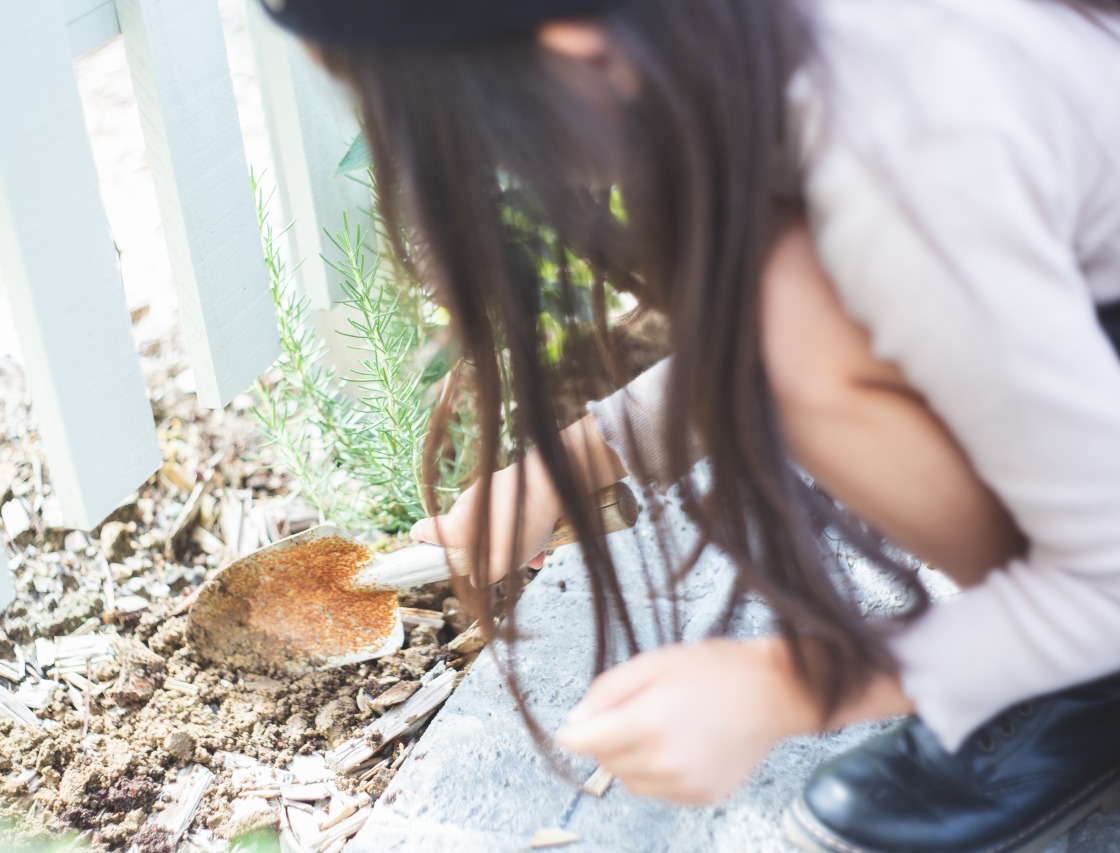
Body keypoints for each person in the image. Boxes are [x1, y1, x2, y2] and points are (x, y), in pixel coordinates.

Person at [262, 1, 1120, 850]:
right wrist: (562, 467)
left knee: (804, 340)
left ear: (579, 50)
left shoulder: (897, 154)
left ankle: (1085, 684)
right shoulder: (777, 45)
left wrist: (782, 688)